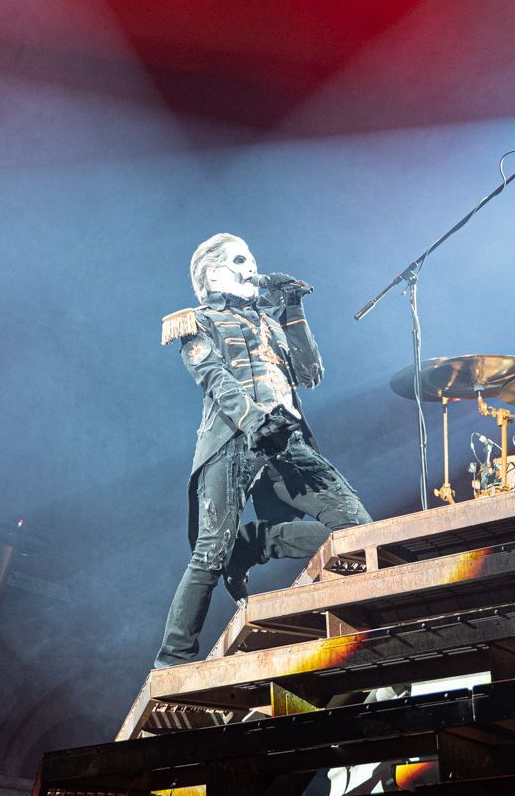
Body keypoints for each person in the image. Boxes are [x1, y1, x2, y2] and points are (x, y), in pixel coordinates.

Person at [154, 233, 372, 667]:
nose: (251, 267)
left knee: (361, 536)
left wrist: (293, 309)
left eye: (252, 258)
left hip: (288, 441)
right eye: (239, 260)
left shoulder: (270, 323)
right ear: (213, 273)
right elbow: (215, 380)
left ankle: (253, 546)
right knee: (211, 552)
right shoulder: (195, 322)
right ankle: (173, 659)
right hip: (233, 440)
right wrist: (254, 421)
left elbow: (310, 373)